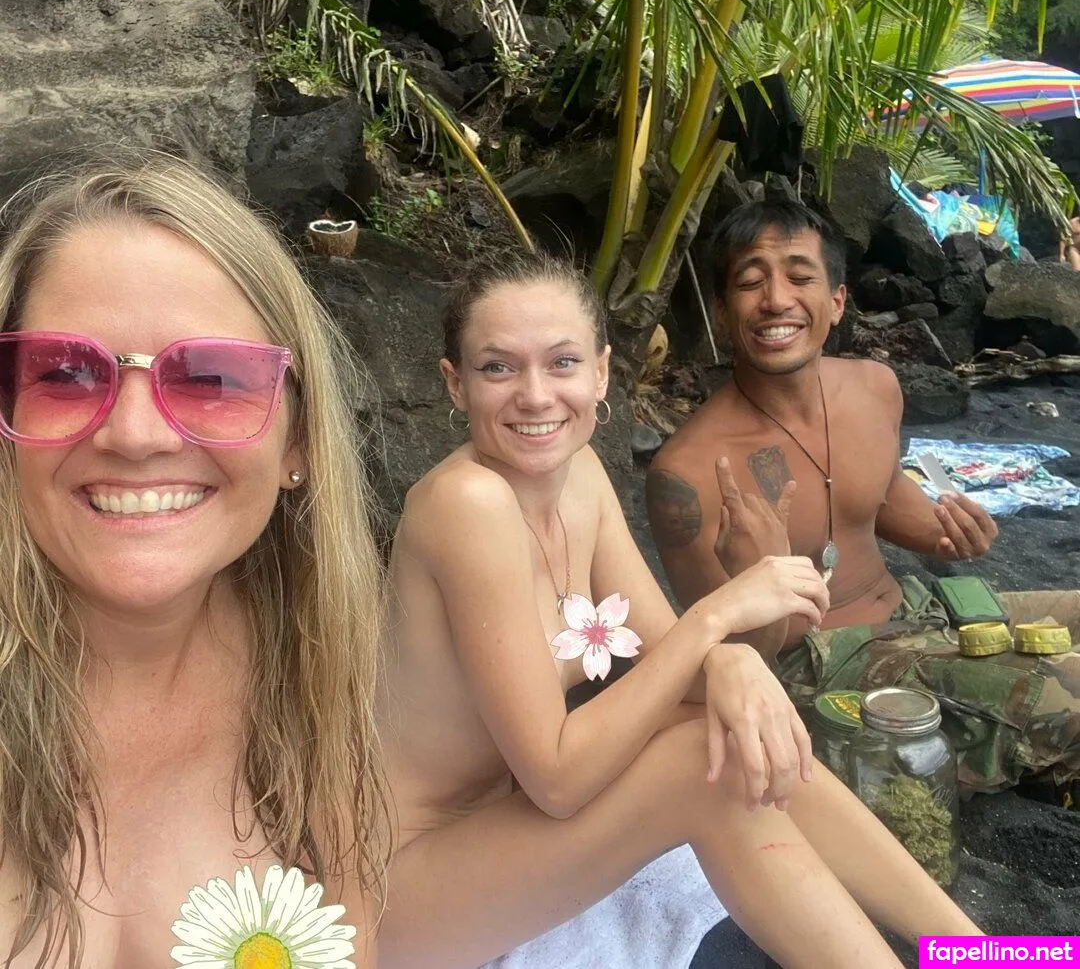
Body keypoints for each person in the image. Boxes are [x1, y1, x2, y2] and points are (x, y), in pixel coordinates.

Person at [377, 250, 980, 969]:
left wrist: (730, 665)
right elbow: (557, 778)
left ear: (602, 372)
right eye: (498, 367)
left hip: (502, 831)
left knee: (732, 726)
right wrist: (716, 620)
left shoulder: (580, 475)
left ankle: (982, 952)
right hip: (403, 883)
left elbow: (671, 659)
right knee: (701, 757)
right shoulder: (467, 504)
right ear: (456, 383)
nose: (536, 396)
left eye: (562, 362)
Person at [0, 155, 387, 968]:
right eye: (66, 372)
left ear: (298, 440)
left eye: (211, 376)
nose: (135, 434)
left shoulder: (307, 666)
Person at [648, 199, 1080, 794]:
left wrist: (949, 534)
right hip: (823, 666)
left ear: (836, 301)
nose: (776, 300)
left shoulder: (876, 388)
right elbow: (726, 663)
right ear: (722, 315)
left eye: (800, 277)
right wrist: (758, 585)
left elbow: (884, 496)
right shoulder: (687, 474)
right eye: (750, 283)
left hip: (922, 609)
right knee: (1069, 689)